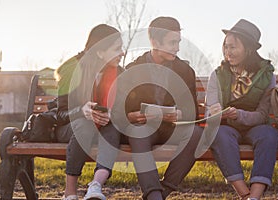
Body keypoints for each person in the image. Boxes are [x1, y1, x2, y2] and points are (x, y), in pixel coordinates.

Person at [121, 16, 203, 200]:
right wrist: (133, 116)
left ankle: (161, 191)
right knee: (136, 132)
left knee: (197, 134)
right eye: (172, 42)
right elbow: (123, 112)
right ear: (154, 42)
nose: (177, 47)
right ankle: (154, 194)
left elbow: (193, 114)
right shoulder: (133, 69)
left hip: (172, 128)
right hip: (144, 128)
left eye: (178, 42)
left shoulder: (185, 71)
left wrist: (177, 114)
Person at [205, 19, 278, 200]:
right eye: (225, 46)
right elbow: (209, 113)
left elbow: (263, 115)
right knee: (219, 134)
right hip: (227, 127)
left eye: (232, 47)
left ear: (248, 49)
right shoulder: (217, 75)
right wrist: (213, 113)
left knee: (270, 135)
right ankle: (245, 195)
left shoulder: (266, 75)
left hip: (255, 126)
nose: (227, 52)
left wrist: (239, 115)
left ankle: (255, 196)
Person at [54, 24, 124, 200]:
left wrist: (111, 114)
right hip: (70, 127)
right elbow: (60, 113)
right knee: (85, 124)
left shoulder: (120, 74)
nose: (122, 53)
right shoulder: (72, 70)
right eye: (117, 49)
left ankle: (95, 186)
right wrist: (81, 110)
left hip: (103, 128)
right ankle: (69, 193)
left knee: (112, 125)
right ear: (100, 52)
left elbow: (124, 109)